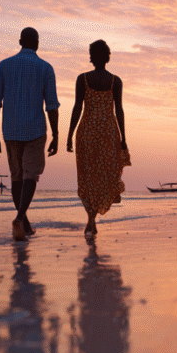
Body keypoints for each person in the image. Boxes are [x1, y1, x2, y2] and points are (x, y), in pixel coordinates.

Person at [0, 27, 60, 241]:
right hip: (35, 130)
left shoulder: (4, 65)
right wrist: (56, 134)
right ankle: (20, 218)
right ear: (37, 43)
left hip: (10, 130)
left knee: (16, 177)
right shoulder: (45, 68)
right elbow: (52, 106)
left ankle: (25, 224)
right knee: (31, 175)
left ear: (20, 41)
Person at [66, 40, 130, 235]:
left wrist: (69, 134)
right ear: (108, 56)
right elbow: (119, 109)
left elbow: (78, 107)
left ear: (93, 56)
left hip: (86, 132)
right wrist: (123, 137)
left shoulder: (82, 78)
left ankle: (91, 218)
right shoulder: (115, 81)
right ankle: (94, 215)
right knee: (105, 173)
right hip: (108, 132)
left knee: (87, 176)